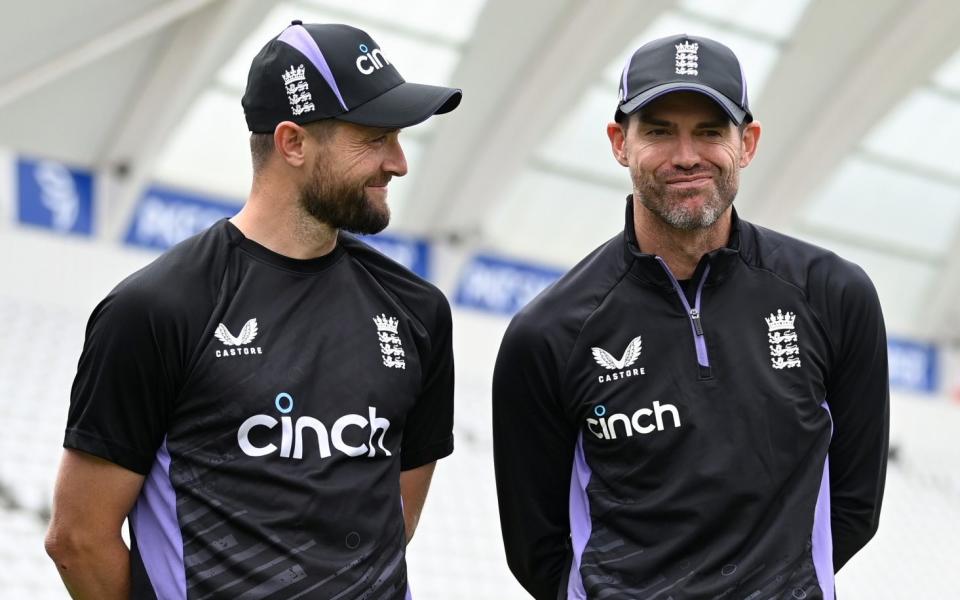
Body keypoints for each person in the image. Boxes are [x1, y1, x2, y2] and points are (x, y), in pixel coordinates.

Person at [45, 21, 460, 599]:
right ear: (293, 142)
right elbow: (78, 538)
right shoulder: (158, 306)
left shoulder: (418, 310)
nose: (399, 162)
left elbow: (394, 521)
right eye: (375, 138)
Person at [493, 34, 888, 600]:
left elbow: (855, 505)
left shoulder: (832, 294)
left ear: (747, 143)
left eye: (710, 131)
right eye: (658, 130)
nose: (685, 156)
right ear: (619, 143)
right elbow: (536, 548)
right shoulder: (550, 332)